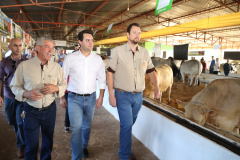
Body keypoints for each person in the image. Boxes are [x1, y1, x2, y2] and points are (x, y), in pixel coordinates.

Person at [106, 23, 160, 160]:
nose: (137, 35)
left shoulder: (144, 53)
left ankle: (125, 148)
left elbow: (151, 71)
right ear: (128, 35)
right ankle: (124, 155)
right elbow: (110, 73)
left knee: (129, 124)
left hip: (138, 97)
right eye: (134, 32)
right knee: (126, 125)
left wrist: (157, 88)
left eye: (139, 33)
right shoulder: (117, 51)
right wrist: (111, 94)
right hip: (122, 95)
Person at [10, 36, 67, 159]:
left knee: (48, 142)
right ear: (38, 48)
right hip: (30, 111)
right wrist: (26, 94)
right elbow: (14, 86)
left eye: (52, 48)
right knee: (31, 145)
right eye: (47, 47)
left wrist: (55, 88)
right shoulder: (24, 66)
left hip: (50, 110)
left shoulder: (56, 67)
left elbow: (63, 84)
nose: (51, 51)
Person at [62, 30, 106, 160]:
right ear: (80, 42)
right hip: (74, 98)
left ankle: (84, 145)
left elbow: (102, 79)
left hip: (91, 98)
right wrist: (62, 97)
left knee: (87, 127)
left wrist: (101, 96)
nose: (91, 42)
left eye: (92, 40)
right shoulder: (70, 58)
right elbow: (63, 79)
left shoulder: (97, 59)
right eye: (87, 40)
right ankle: (77, 157)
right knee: (76, 130)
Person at [0, 38, 27, 158]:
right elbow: (0, 80)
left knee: (20, 121)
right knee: (12, 120)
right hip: (9, 96)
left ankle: (21, 146)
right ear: (10, 47)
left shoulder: (27, 62)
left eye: (20, 45)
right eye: (15, 45)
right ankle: (21, 135)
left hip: (22, 97)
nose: (18, 48)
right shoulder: (3, 62)